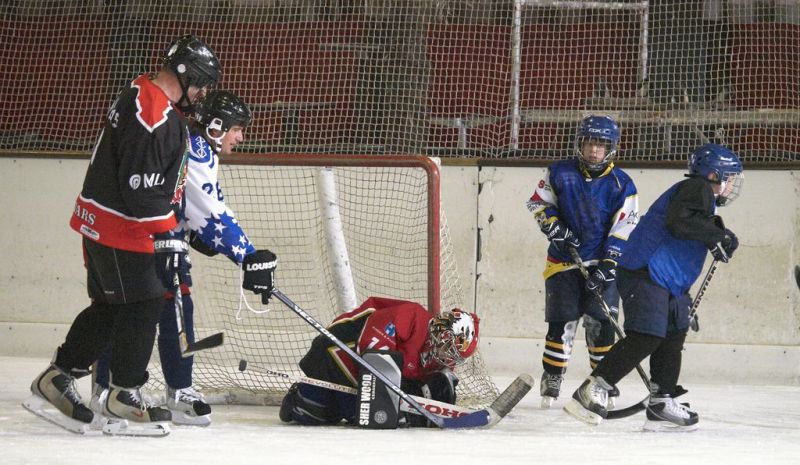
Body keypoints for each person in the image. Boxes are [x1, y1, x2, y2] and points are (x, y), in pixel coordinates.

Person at [26, 34, 222, 430]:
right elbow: (142, 189)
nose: (201, 94)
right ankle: (121, 392)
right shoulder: (153, 113)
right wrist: (169, 237)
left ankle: (64, 375)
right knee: (145, 303)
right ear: (186, 74)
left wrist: (174, 233)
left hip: (108, 223)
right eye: (200, 83)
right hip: (120, 228)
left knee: (117, 306)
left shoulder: (142, 90)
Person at [91, 90, 277, 426]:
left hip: (148, 234)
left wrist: (194, 233)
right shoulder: (197, 149)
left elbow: (187, 203)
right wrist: (249, 257)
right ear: (217, 126)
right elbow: (212, 213)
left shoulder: (200, 147)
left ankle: (120, 390)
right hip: (143, 236)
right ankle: (132, 391)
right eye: (237, 128)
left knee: (155, 307)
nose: (241, 136)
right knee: (146, 309)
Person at [564, 143, 743, 431]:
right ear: (714, 174)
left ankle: (662, 400)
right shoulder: (697, 188)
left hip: (667, 282)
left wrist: (718, 236)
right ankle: (594, 387)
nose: (732, 183)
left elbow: (692, 223)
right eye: (730, 176)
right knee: (647, 334)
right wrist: (717, 235)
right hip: (644, 271)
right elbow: (679, 222)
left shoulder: (701, 200)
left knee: (673, 334)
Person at [526, 115, 638, 408]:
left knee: (601, 326)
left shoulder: (622, 184)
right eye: (590, 143)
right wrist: (552, 225)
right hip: (563, 263)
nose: (594, 151)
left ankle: (601, 383)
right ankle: (552, 376)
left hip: (601, 264)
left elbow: (623, 227)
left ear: (611, 148)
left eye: (601, 145)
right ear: (580, 143)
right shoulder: (560, 172)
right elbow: (539, 202)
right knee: (560, 323)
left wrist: (609, 265)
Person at [278, 296, 480, 426]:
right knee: (313, 411)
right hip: (336, 353)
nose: (448, 357)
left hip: (362, 377)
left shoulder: (440, 359)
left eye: (455, 356)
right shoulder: (412, 317)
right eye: (448, 349)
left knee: (363, 415)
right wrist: (404, 394)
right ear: (441, 334)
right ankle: (300, 397)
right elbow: (372, 354)